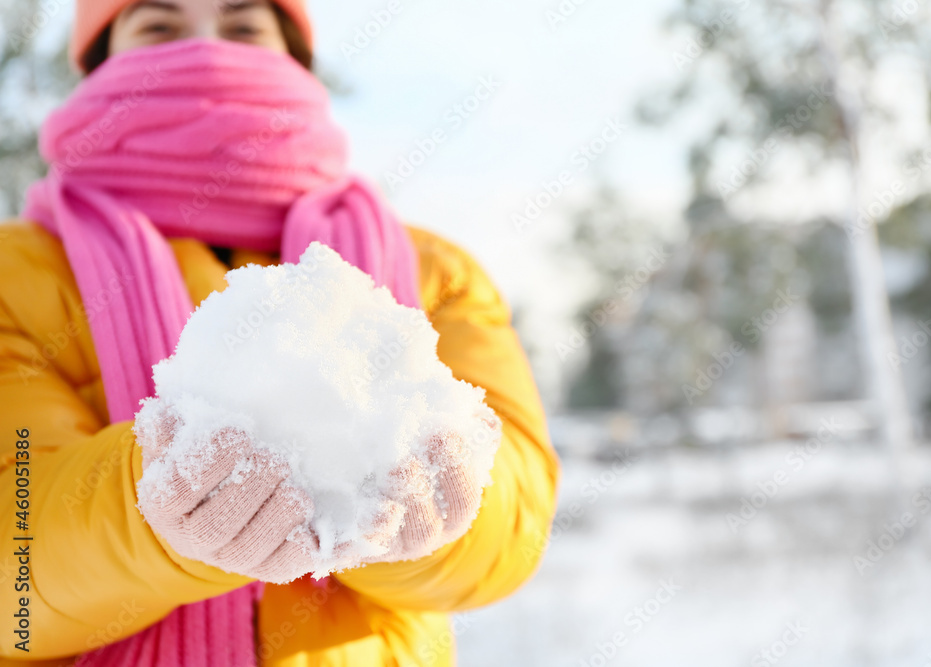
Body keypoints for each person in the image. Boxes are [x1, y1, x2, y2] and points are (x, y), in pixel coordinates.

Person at [0, 1, 560, 665]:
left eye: (243, 28)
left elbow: (516, 532)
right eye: (159, 27)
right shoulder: (16, 273)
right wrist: (156, 506)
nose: (208, 51)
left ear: (294, 57)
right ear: (98, 64)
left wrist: (429, 512)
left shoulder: (437, 273)